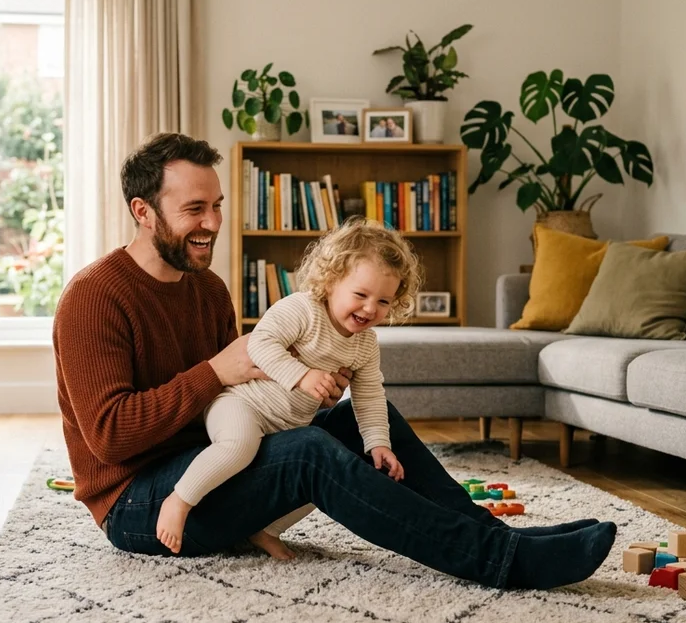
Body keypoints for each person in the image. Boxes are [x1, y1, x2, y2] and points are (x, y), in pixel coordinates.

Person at [53, 132, 616, 590]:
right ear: (143, 212)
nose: (213, 223)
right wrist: (216, 372)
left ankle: (497, 536)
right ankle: (499, 562)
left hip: (211, 466)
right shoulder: (94, 297)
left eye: (218, 205)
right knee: (308, 453)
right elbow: (110, 438)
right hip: (138, 505)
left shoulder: (207, 290)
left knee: (369, 424)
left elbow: (235, 401)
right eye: (193, 209)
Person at [155, 218, 421, 559]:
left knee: (326, 470)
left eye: (384, 301)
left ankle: (266, 529)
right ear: (331, 281)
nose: (370, 308)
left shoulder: (365, 344)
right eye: (361, 295)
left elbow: (369, 395)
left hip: (288, 424)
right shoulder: (302, 309)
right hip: (242, 405)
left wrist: (378, 443)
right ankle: (179, 500)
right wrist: (303, 375)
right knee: (238, 445)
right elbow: (260, 344)